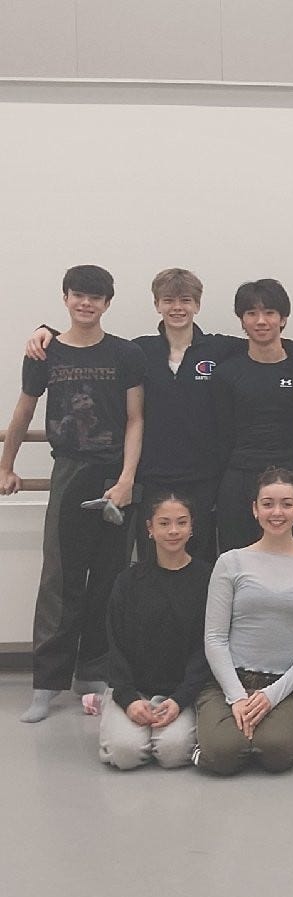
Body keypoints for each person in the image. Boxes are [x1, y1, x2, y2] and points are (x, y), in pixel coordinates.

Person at [24, 267, 293, 563]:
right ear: (157, 304)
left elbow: (270, 342)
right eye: (168, 300)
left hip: (204, 479)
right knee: (152, 561)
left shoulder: (219, 348)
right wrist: (47, 331)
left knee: (201, 561)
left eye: (186, 300)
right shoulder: (138, 350)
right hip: (152, 477)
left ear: (197, 305)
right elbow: (92, 343)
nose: (177, 308)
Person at [0, 265, 145, 723]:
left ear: (107, 304)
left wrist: (125, 480)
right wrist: (6, 464)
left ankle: (94, 673)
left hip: (114, 477)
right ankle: (47, 682)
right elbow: (24, 409)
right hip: (70, 472)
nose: (86, 304)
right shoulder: (45, 353)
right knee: (61, 580)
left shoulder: (126, 354)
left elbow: (136, 419)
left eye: (95, 298)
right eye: (79, 296)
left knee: (109, 575)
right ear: (65, 298)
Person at [195, 468, 293, 774]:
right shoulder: (230, 562)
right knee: (221, 755)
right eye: (268, 503)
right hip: (231, 680)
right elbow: (215, 639)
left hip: (284, 684)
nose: (277, 512)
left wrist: (271, 696)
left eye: (286, 504)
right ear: (255, 509)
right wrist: (236, 698)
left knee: (278, 753)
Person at [98, 493, 212, 769]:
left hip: (182, 692)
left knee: (172, 753)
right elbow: (114, 644)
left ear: (192, 527)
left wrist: (180, 699)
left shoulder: (208, 579)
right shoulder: (128, 581)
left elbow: (207, 647)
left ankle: (161, 728)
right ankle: (114, 714)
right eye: (164, 523)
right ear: (150, 528)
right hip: (134, 689)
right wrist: (127, 700)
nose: (173, 531)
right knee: (126, 754)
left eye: (181, 523)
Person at [213, 279, 293, 552]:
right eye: (251, 313)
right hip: (238, 478)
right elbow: (220, 436)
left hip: (288, 476)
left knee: (290, 560)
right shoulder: (227, 372)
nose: (261, 321)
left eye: (269, 313)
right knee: (236, 560)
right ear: (241, 320)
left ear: (283, 318)